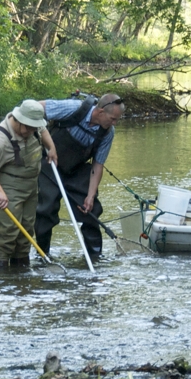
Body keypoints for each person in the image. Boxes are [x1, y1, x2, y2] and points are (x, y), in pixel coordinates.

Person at [35, 93, 125, 259]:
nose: (114, 124)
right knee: (46, 208)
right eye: (113, 119)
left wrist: (90, 196)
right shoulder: (73, 109)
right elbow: (36, 107)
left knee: (90, 210)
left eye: (117, 120)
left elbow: (97, 166)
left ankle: (95, 256)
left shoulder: (107, 133)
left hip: (76, 170)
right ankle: (42, 254)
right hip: (50, 164)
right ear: (100, 112)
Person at [0, 100, 57, 268]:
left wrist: (51, 147)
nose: (32, 131)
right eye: (29, 128)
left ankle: (21, 276)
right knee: (6, 233)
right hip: (9, 188)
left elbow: (42, 130)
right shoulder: (0, 139)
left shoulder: (33, 126)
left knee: (26, 231)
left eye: (34, 128)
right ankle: (1, 278)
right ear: (19, 121)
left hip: (31, 186)